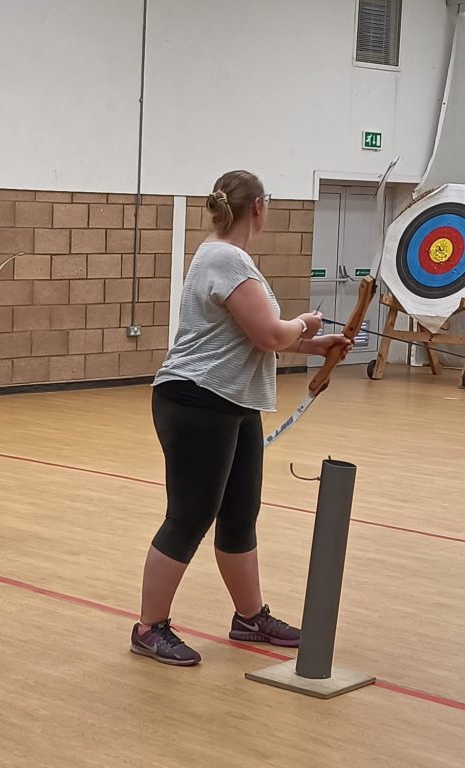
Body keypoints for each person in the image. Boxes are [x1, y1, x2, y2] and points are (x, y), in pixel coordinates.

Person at [130, 170, 353, 665]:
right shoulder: (226, 257)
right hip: (196, 400)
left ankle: (250, 617)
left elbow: (256, 333)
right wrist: (306, 323)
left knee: (238, 516)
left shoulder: (228, 258)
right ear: (258, 207)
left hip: (233, 402)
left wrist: (314, 345)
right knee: (188, 518)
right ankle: (149, 627)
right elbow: (271, 335)